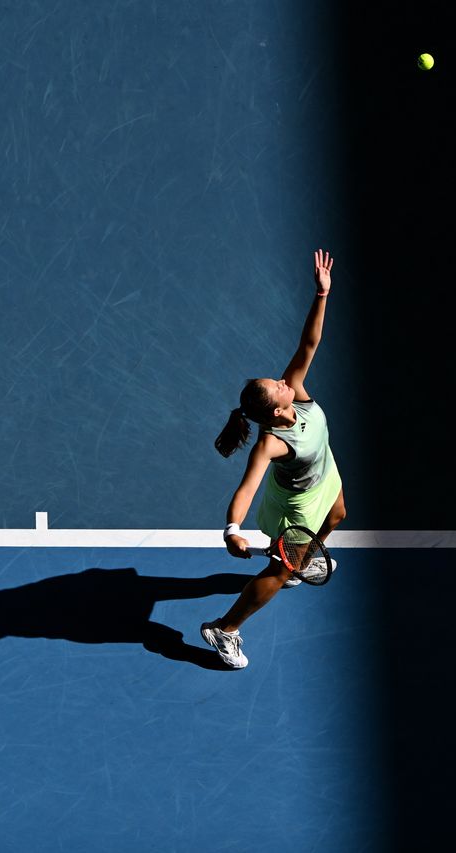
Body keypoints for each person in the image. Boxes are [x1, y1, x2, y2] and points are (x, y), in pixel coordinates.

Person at [201, 249, 347, 669]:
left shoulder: (296, 390)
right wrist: (232, 529)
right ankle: (224, 629)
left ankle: (304, 555)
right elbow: (247, 487)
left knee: (338, 514)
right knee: (279, 572)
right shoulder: (271, 443)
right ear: (275, 409)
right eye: (278, 385)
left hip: (324, 479)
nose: (284, 380)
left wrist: (322, 294)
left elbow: (309, 342)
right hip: (297, 507)